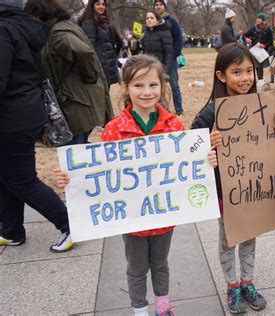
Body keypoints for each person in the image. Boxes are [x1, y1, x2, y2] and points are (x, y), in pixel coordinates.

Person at [56, 54, 218, 316]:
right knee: (136, 267)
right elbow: (98, 172)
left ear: (162, 87)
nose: (146, 92)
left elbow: (189, 163)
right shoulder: (113, 130)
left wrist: (207, 160)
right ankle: (140, 310)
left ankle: (162, 307)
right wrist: (71, 178)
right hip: (131, 220)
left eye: (153, 85)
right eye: (138, 85)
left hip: (165, 217)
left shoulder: (173, 126)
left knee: (161, 264)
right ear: (125, 88)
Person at [191, 43, 275, 314]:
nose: (245, 78)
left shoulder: (261, 107)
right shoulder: (209, 114)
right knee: (229, 239)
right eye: (237, 72)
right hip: (227, 191)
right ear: (221, 76)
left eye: (249, 70)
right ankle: (232, 286)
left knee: (250, 236)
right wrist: (206, 145)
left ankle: (248, 282)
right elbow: (192, 154)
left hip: (255, 189)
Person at [0, 0, 72, 252]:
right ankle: (11, 230)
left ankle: (69, 225)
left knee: (22, 180)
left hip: (11, 117)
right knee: (6, 177)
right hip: (26, 111)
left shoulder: (3, 30)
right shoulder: (24, 27)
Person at [25, 0, 114, 146]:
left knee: (75, 153)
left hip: (77, 103)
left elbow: (83, 51)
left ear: (40, 13)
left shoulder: (57, 32)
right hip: (80, 100)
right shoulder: (64, 26)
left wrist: (90, 76)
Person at [79, 0, 122, 87]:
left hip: (105, 67)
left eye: (103, 4)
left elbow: (118, 43)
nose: (101, 6)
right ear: (92, 6)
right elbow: (89, 48)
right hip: (97, 69)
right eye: (97, 4)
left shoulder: (105, 23)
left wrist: (112, 57)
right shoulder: (89, 23)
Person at [154, 0, 184, 117]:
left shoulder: (171, 21)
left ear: (164, 7)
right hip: (157, 60)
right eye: (156, 5)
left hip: (170, 59)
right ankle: (162, 109)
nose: (158, 6)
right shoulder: (153, 21)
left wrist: (174, 54)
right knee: (158, 86)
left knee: (174, 85)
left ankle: (179, 110)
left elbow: (178, 39)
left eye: (160, 4)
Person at [142, 11, 174, 78]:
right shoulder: (145, 34)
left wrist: (166, 71)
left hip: (160, 68)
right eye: (147, 18)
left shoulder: (164, 33)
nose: (149, 20)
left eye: (152, 18)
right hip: (148, 68)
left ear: (157, 20)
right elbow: (144, 52)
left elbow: (169, 53)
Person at [244, 12, 273, 80]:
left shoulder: (268, 29)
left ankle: (261, 80)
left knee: (261, 67)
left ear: (263, 20)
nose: (257, 19)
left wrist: (265, 45)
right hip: (255, 51)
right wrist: (246, 39)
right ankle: (259, 80)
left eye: (259, 18)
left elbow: (271, 41)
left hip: (263, 51)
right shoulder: (253, 29)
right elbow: (245, 35)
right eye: (256, 18)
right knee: (257, 67)